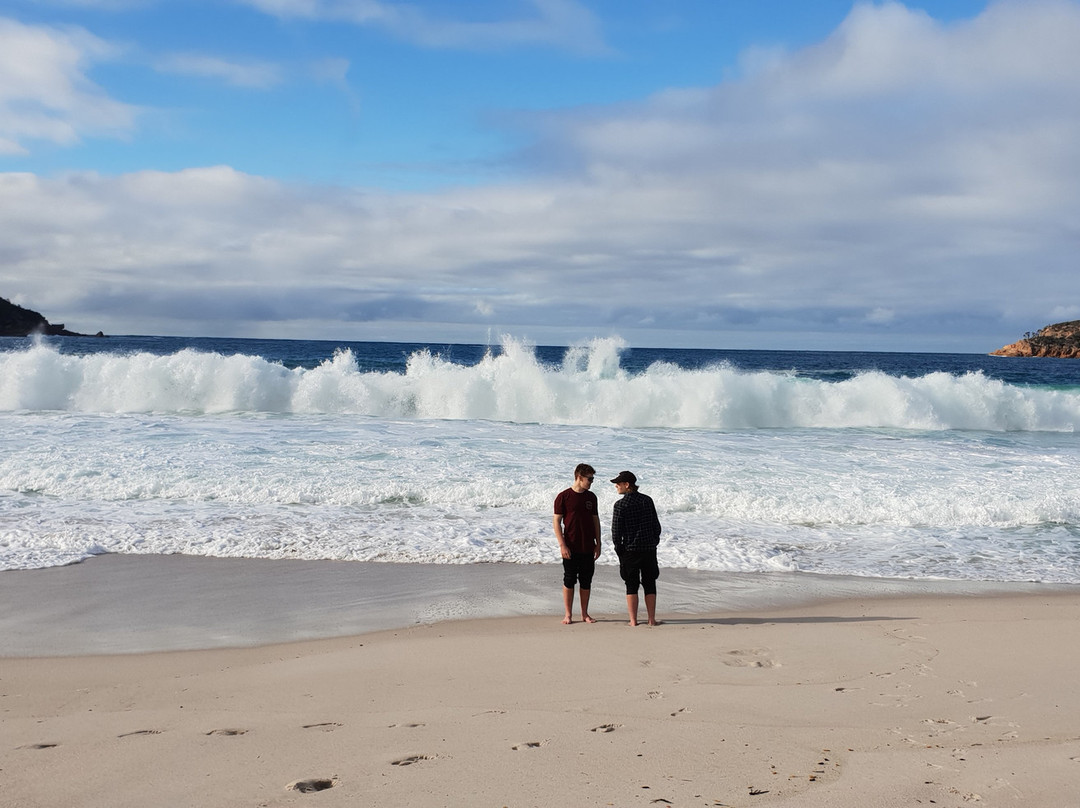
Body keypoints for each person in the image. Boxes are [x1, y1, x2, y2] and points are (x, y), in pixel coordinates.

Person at [609, 470, 662, 626]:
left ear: (627, 485)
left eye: (618, 484)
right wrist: (654, 542)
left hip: (630, 550)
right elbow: (656, 526)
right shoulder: (647, 500)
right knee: (650, 583)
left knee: (631, 584)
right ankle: (651, 619)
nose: (616, 486)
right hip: (649, 549)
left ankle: (633, 621)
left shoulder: (620, 505)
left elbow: (616, 532)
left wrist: (619, 551)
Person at [553, 463, 602, 625]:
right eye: (590, 478)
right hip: (570, 546)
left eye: (592, 479)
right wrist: (562, 545)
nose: (591, 482)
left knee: (586, 580)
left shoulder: (591, 497)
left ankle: (584, 614)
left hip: (588, 545)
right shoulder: (563, 496)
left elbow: (596, 521)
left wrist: (599, 543)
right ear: (579, 477)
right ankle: (568, 614)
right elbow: (556, 522)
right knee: (569, 579)